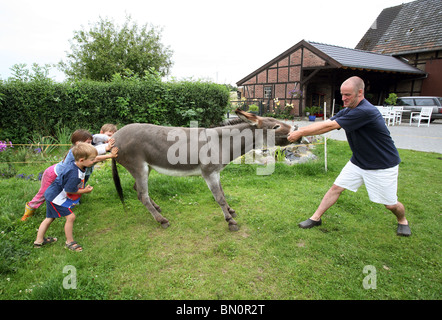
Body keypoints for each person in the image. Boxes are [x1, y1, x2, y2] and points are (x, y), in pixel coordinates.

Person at [287, 76, 411, 237]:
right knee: (336, 188)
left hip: (382, 164)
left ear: (360, 93)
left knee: (390, 205)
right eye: (342, 94)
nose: (343, 98)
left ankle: (402, 220)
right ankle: (316, 218)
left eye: (347, 95)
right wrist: (300, 129)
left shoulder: (365, 111)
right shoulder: (349, 110)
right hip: (359, 161)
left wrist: (301, 132)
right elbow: (327, 123)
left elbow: (331, 125)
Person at [21, 128, 118, 221]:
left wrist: (108, 141)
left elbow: (95, 145)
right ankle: (29, 211)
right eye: (88, 143)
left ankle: (68, 204)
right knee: (43, 194)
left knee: (73, 188)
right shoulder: (75, 152)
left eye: (90, 142)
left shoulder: (82, 151)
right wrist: (107, 148)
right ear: (78, 143)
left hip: (68, 176)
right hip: (53, 174)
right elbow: (96, 153)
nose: (90, 145)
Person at [33, 142, 98, 251]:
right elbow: (70, 190)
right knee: (71, 217)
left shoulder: (76, 164)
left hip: (51, 194)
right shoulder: (74, 174)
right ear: (82, 160)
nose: (94, 161)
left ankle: (39, 241)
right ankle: (69, 242)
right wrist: (85, 190)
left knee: (50, 217)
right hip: (55, 197)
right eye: (92, 159)